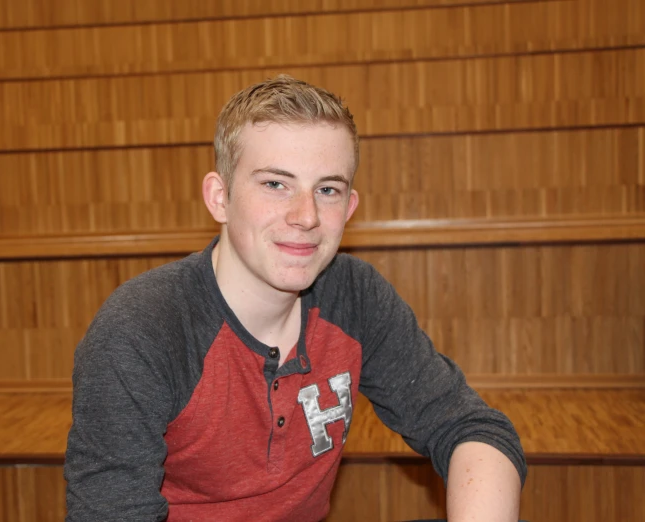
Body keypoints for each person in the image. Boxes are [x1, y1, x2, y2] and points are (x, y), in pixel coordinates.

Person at [64, 75, 527, 522]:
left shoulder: (354, 295)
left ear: (349, 208)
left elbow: (470, 429)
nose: (306, 216)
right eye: (275, 184)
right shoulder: (141, 329)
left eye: (326, 190)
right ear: (219, 197)